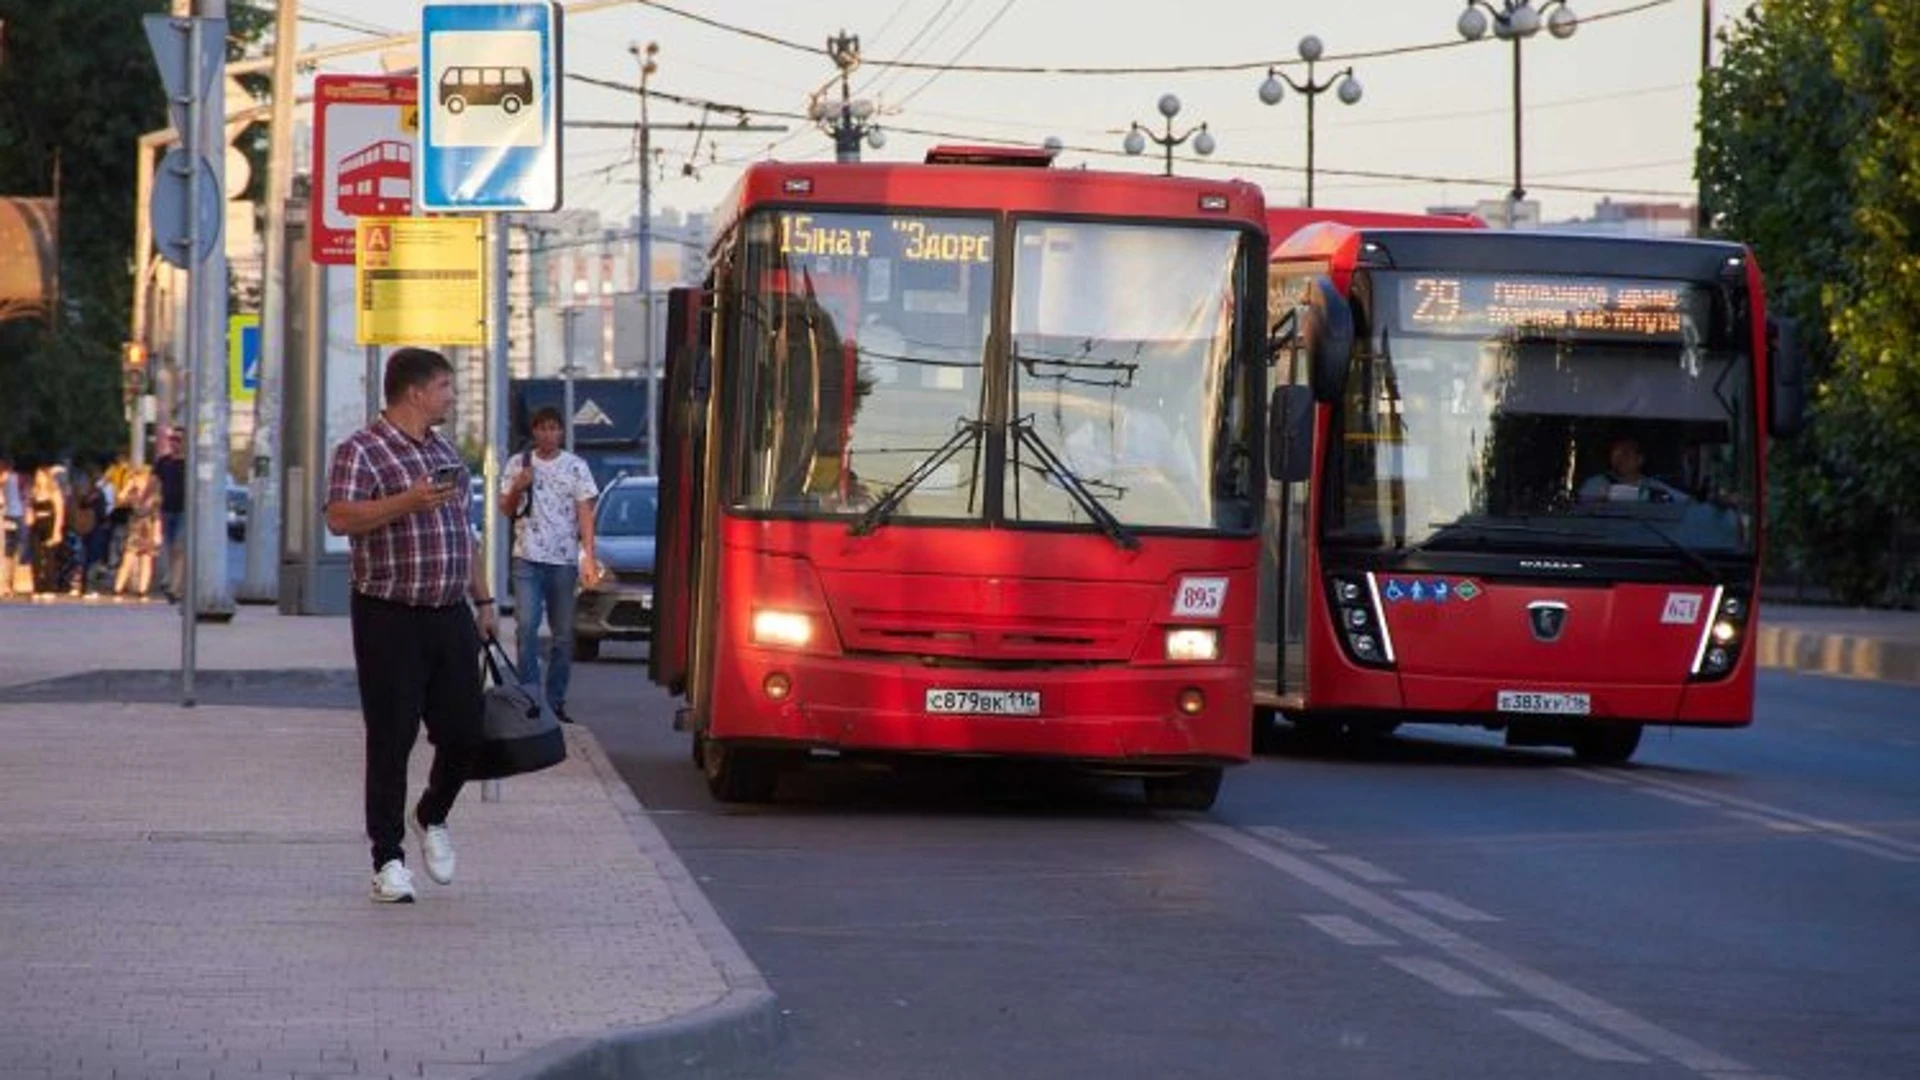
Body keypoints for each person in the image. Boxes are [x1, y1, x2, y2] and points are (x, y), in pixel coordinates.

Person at [325, 347, 497, 905]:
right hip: (387, 614)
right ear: (416, 392)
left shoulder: (446, 452)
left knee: (467, 732)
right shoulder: (362, 451)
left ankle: (432, 813)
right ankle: (388, 860)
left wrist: (486, 600)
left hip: (449, 612)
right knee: (392, 737)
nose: (452, 396)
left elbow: (463, 535)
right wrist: (409, 500)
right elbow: (340, 517)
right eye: (446, 387)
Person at [498, 406, 600, 725]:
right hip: (527, 557)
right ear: (533, 432)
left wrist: (589, 557)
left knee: (563, 635)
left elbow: (585, 512)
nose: (548, 434)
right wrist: (518, 485)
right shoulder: (519, 463)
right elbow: (505, 508)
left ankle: (555, 701)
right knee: (526, 627)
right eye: (542, 428)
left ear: (561, 432)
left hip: (563, 560)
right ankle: (530, 698)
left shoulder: (576, 467)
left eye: (554, 428)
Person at [1578, 435, 1689, 505]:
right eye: (1615, 455)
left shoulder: (1654, 487)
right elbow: (1584, 506)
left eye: (1626, 454)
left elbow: (1688, 503)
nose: (1620, 460)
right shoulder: (1596, 484)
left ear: (1640, 459)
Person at [114, 466, 161, 599]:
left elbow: (157, 516)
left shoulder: (154, 496)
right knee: (127, 559)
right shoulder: (132, 495)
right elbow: (119, 500)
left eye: (139, 479)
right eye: (135, 479)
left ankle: (143, 590)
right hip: (134, 529)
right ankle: (118, 588)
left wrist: (158, 533)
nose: (138, 482)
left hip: (148, 528)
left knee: (146, 560)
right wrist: (128, 487)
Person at [153, 430, 186, 599]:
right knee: (171, 547)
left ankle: (174, 587)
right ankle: (175, 581)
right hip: (167, 509)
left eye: (178, 440)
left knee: (179, 548)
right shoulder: (163, 462)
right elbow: (155, 483)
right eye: (172, 439)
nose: (174, 443)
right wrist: (148, 501)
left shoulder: (190, 463)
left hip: (185, 510)